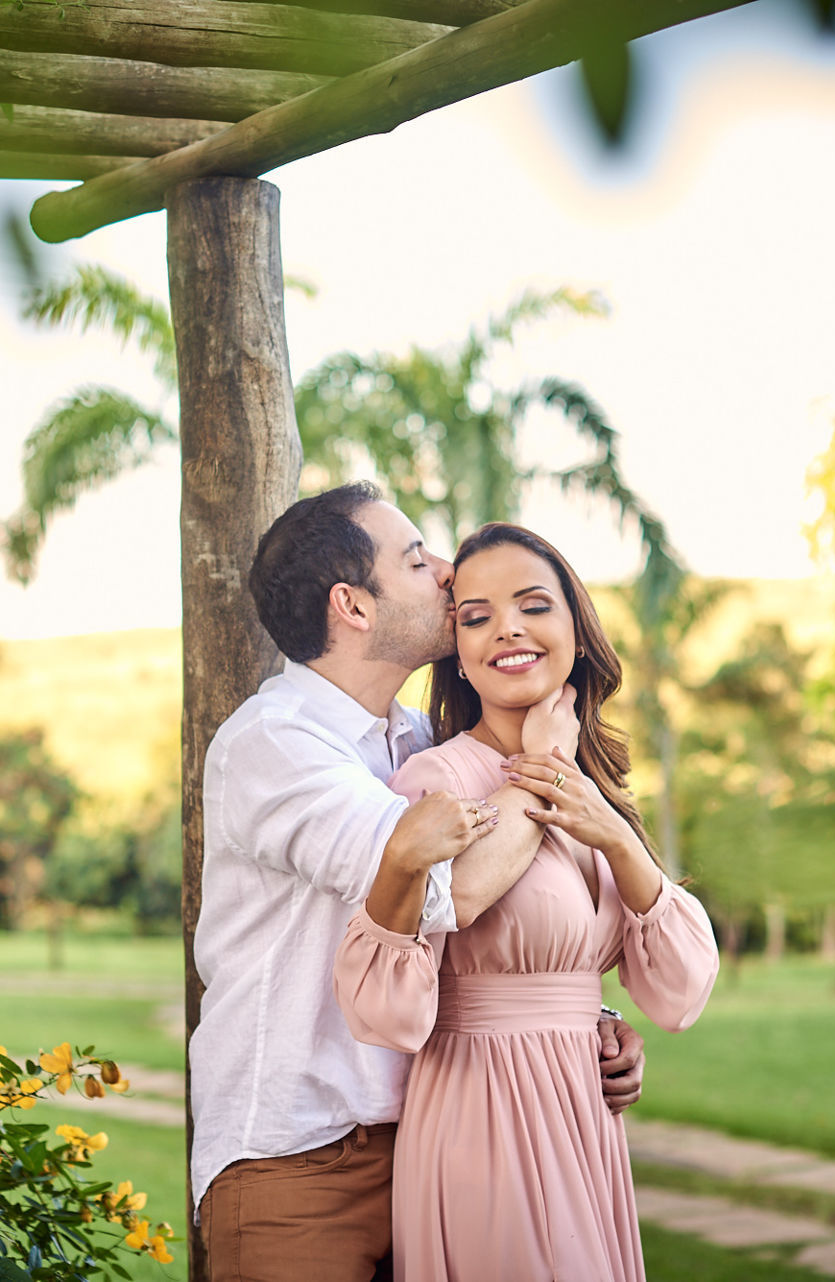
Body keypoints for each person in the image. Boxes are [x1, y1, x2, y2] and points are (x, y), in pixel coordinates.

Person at [191, 484, 648, 1282]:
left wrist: (581, 1015)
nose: (446, 573)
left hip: (439, 1144)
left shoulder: (413, 740)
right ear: (353, 606)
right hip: (299, 1163)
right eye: (415, 558)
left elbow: (474, 941)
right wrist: (544, 768)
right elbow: (448, 892)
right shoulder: (275, 745)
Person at [333, 521, 721, 1282]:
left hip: (583, 1116)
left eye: (533, 605)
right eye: (475, 617)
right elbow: (405, 986)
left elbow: (677, 994)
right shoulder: (434, 782)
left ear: (575, 629)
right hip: (484, 1114)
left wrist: (614, 839)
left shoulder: (598, 787)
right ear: (463, 658)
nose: (506, 628)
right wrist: (537, 763)